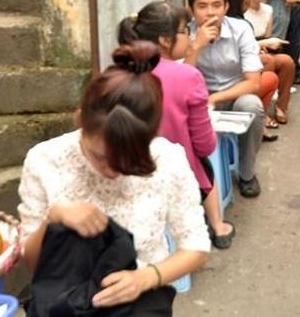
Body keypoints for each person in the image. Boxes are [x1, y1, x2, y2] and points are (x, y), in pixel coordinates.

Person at [18, 41, 210, 314]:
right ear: (81, 120)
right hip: (64, 300)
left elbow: (196, 246)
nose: (111, 171)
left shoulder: (168, 160)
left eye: (127, 162)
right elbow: (34, 264)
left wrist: (145, 278)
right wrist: (53, 218)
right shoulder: (45, 160)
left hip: (140, 299)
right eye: (99, 157)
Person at [117, 2, 236, 249]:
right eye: (185, 31)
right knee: (204, 163)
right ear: (164, 40)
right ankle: (218, 226)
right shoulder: (188, 77)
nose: (190, 36)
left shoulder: (118, 74)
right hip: (176, 182)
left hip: (128, 175)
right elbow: (204, 145)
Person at [185, 0, 265, 198]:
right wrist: (196, 47)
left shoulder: (240, 30)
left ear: (227, 7)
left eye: (216, 5)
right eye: (202, 6)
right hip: (198, 99)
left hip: (233, 94)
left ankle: (247, 173)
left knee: (252, 106)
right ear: (191, 9)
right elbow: (181, 81)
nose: (210, 13)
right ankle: (194, 176)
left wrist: (215, 98)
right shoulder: (186, 34)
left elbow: (253, 82)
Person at [222, 0, 280, 142]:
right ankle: (261, 123)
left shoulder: (209, 26)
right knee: (270, 77)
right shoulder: (242, 25)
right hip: (231, 91)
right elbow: (252, 79)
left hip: (220, 90)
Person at [244, 0, 295, 126]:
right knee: (268, 61)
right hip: (248, 52)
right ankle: (263, 112)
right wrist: (262, 46)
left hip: (263, 49)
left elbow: (267, 37)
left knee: (287, 61)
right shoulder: (243, 12)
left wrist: (267, 45)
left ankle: (281, 107)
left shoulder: (268, 10)